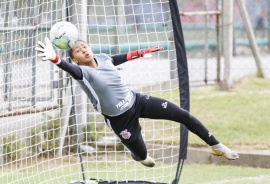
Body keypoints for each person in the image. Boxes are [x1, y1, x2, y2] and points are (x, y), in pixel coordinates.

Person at [35, 38, 239, 167]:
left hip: (136, 101)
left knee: (183, 115)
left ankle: (217, 146)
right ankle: (138, 156)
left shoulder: (103, 58)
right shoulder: (82, 72)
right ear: (76, 59)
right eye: (78, 51)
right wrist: (55, 58)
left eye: (84, 46)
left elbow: (120, 58)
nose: (83, 50)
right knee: (142, 155)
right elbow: (67, 68)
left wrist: (142, 52)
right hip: (120, 120)